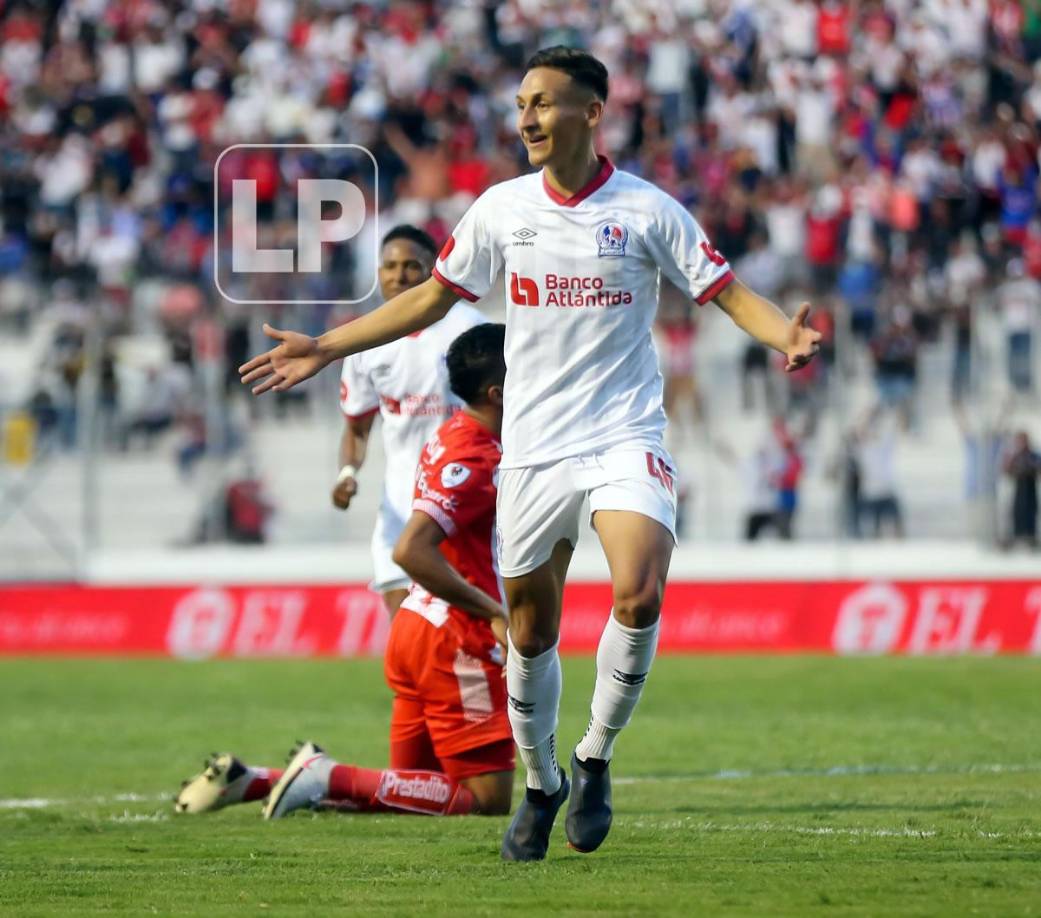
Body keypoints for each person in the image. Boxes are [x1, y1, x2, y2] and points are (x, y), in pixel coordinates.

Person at [239, 47, 821, 861]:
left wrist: (783, 336)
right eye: (520, 104)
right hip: (534, 446)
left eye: (542, 102)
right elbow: (428, 299)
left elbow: (725, 293)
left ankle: (592, 760)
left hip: (622, 434)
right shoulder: (501, 210)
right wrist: (327, 346)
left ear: (591, 111)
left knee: (639, 592)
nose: (525, 118)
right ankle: (542, 780)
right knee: (529, 631)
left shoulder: (648, 210)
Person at [176, 325, 514, 817]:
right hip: (455, 637)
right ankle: (326, 774)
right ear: (498, 392)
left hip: (417, 627)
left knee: (408, 793)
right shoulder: (477, 456)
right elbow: (411, 551)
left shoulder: (453, 433)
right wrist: (493, 611)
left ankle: (254, 781)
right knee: (486, 801)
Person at [332, 225, 487, 617]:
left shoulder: (470, 328)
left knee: (472, 641)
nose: (398, 275)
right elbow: (357, 428)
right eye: (389, 266)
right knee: (405, 642)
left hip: (463, 503)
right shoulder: (362, 342)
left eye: (410, 266)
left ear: (433, 269)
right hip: (400, 507)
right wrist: (347, 471)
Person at [1003, 430, 1041, 549]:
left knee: (1030, 511)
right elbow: (1007, 470)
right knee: (1018, 511)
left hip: (1030, 487)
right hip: (1018, 487)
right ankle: (1017, 536)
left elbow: (1037, 468)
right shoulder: (1015, 456)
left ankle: (1030, 537)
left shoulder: (1033, 455)